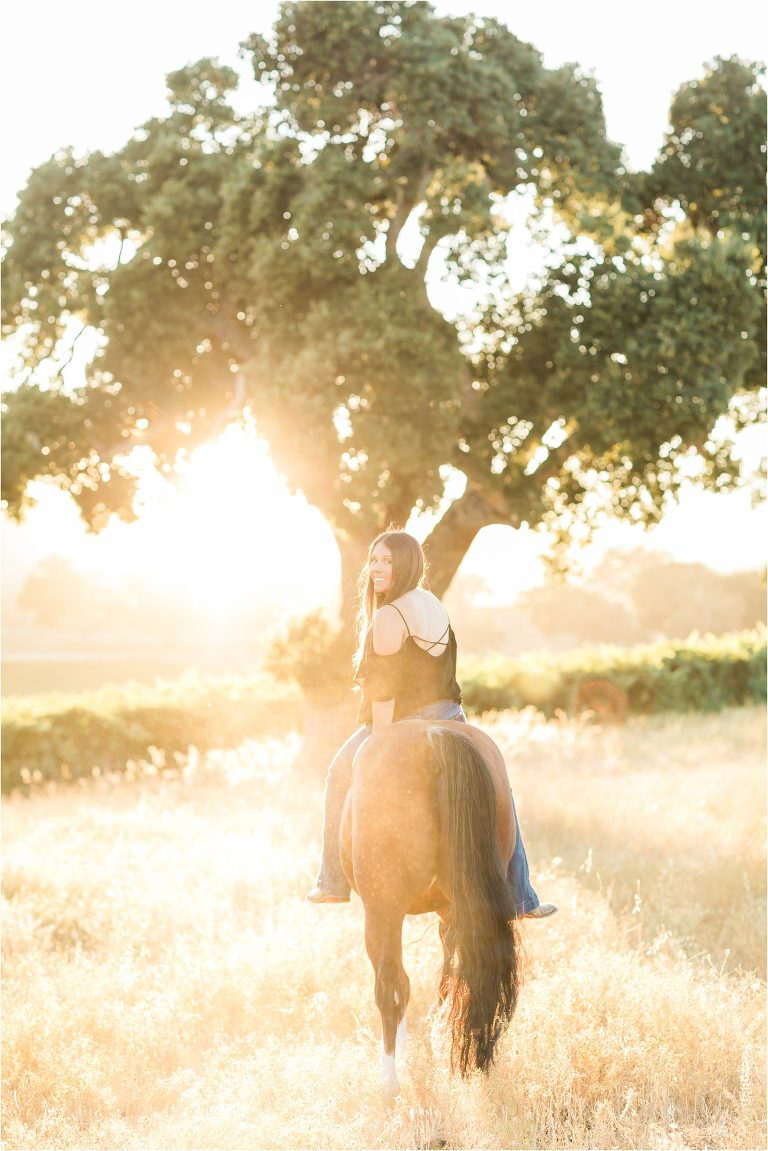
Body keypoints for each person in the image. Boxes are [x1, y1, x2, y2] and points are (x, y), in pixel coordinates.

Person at [306, 529, 557, 919]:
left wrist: (383, 746)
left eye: (388, 560)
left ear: (407, 563)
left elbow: (384, 693)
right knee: (497, 783)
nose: (377, 568)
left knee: (338, 773)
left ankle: (332, 881)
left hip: (405, 720)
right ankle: (521, 896)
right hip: (451, 716)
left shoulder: (390, 615)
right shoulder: (431, 603)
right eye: (374, 559)